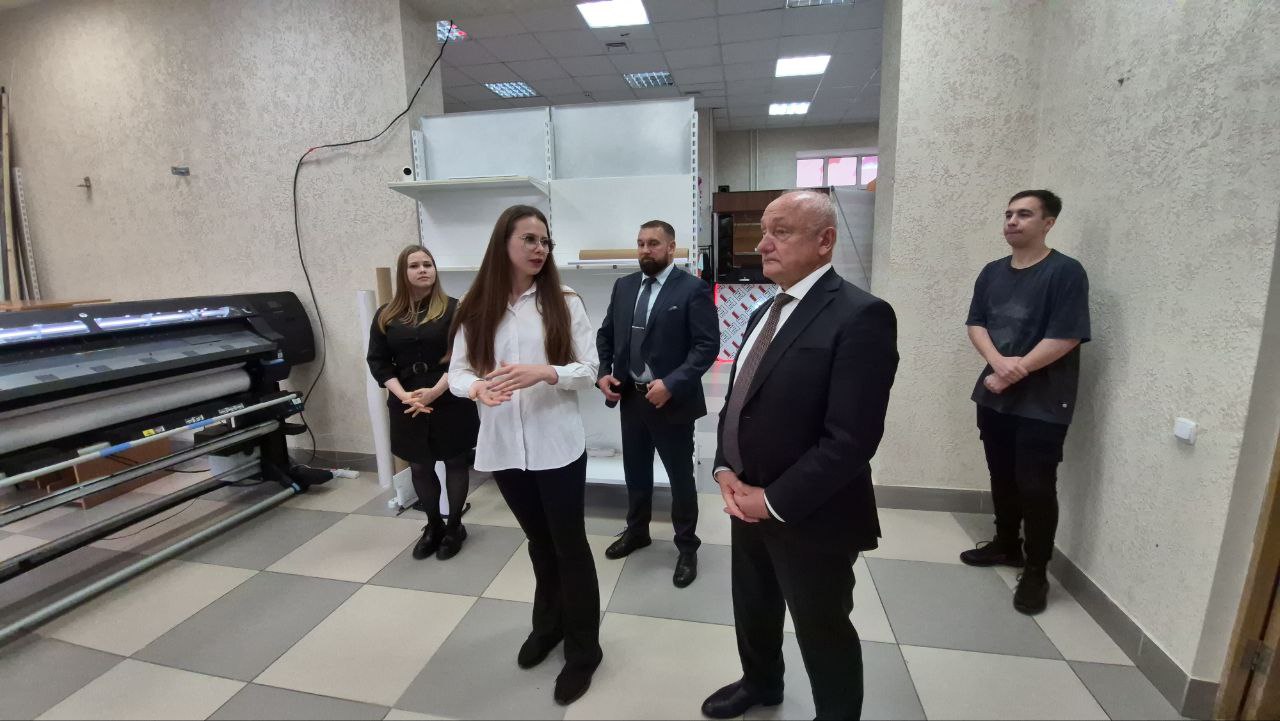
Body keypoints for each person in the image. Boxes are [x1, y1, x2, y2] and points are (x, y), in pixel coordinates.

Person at [702, 191, 898, 721]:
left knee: (822, 625)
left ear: (825, 240)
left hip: (812, 511)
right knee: (754, 604)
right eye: (765, 231)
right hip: (745, 499)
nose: (763, 244)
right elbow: (738, 400)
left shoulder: (862, 315)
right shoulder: (763, 311)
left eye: (781, 231)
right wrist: (724, 467)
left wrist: (773, 500)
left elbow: (852, 439)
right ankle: (761, 682)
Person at [447, 204, 602, 706]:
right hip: (504, 447)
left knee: (569, 547)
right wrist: (475, 390)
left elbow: (590, 369)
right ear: (504, 243)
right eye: (529, 239)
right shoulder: (474, 306)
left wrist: (545, 372)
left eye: (545, 241)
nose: (540, 249)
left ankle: (585, 651)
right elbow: (458, 372)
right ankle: (548, 625)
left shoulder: (564, 300)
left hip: (557, 446)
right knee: (539, 542)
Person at [960, 189, 1090, 615]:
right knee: (1001, 474)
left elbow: (1067, 335)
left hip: (1044, 402)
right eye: (1009, 214)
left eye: (1025, 214)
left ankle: (1036, 571)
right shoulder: (992, 272)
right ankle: (1005, 543)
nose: (1012, 221)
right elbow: (976, 323)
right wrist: (998, 363)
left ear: (1048, 223)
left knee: (1035, 485)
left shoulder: (1065, 272)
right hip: (994, 396)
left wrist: (1013, 371)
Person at [595, 220, 718, 588]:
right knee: (635, 470)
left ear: (671, 248)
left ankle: (687, 547)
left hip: (671, 402)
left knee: (679, 477)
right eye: (640, 243)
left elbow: (706, 346)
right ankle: (637, 531)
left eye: (653, 243)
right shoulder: (624, 286)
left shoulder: (692, 289)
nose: (645, 250)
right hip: (631, 397)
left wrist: (673, 383)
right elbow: (606, 334)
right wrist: (604, 373)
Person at [367, 245, 479, 561]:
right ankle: (433, 526)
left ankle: (454, 526)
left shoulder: (455, 309)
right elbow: (378, 361)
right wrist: (403, 395)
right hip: (407, 401)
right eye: (414, 265)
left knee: (455, 462)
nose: (423, 270)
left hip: (449, 396)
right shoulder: (386, 315)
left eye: (428, 264)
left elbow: (466, 357)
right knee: (419, 465)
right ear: (403, 273)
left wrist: (434, 392)